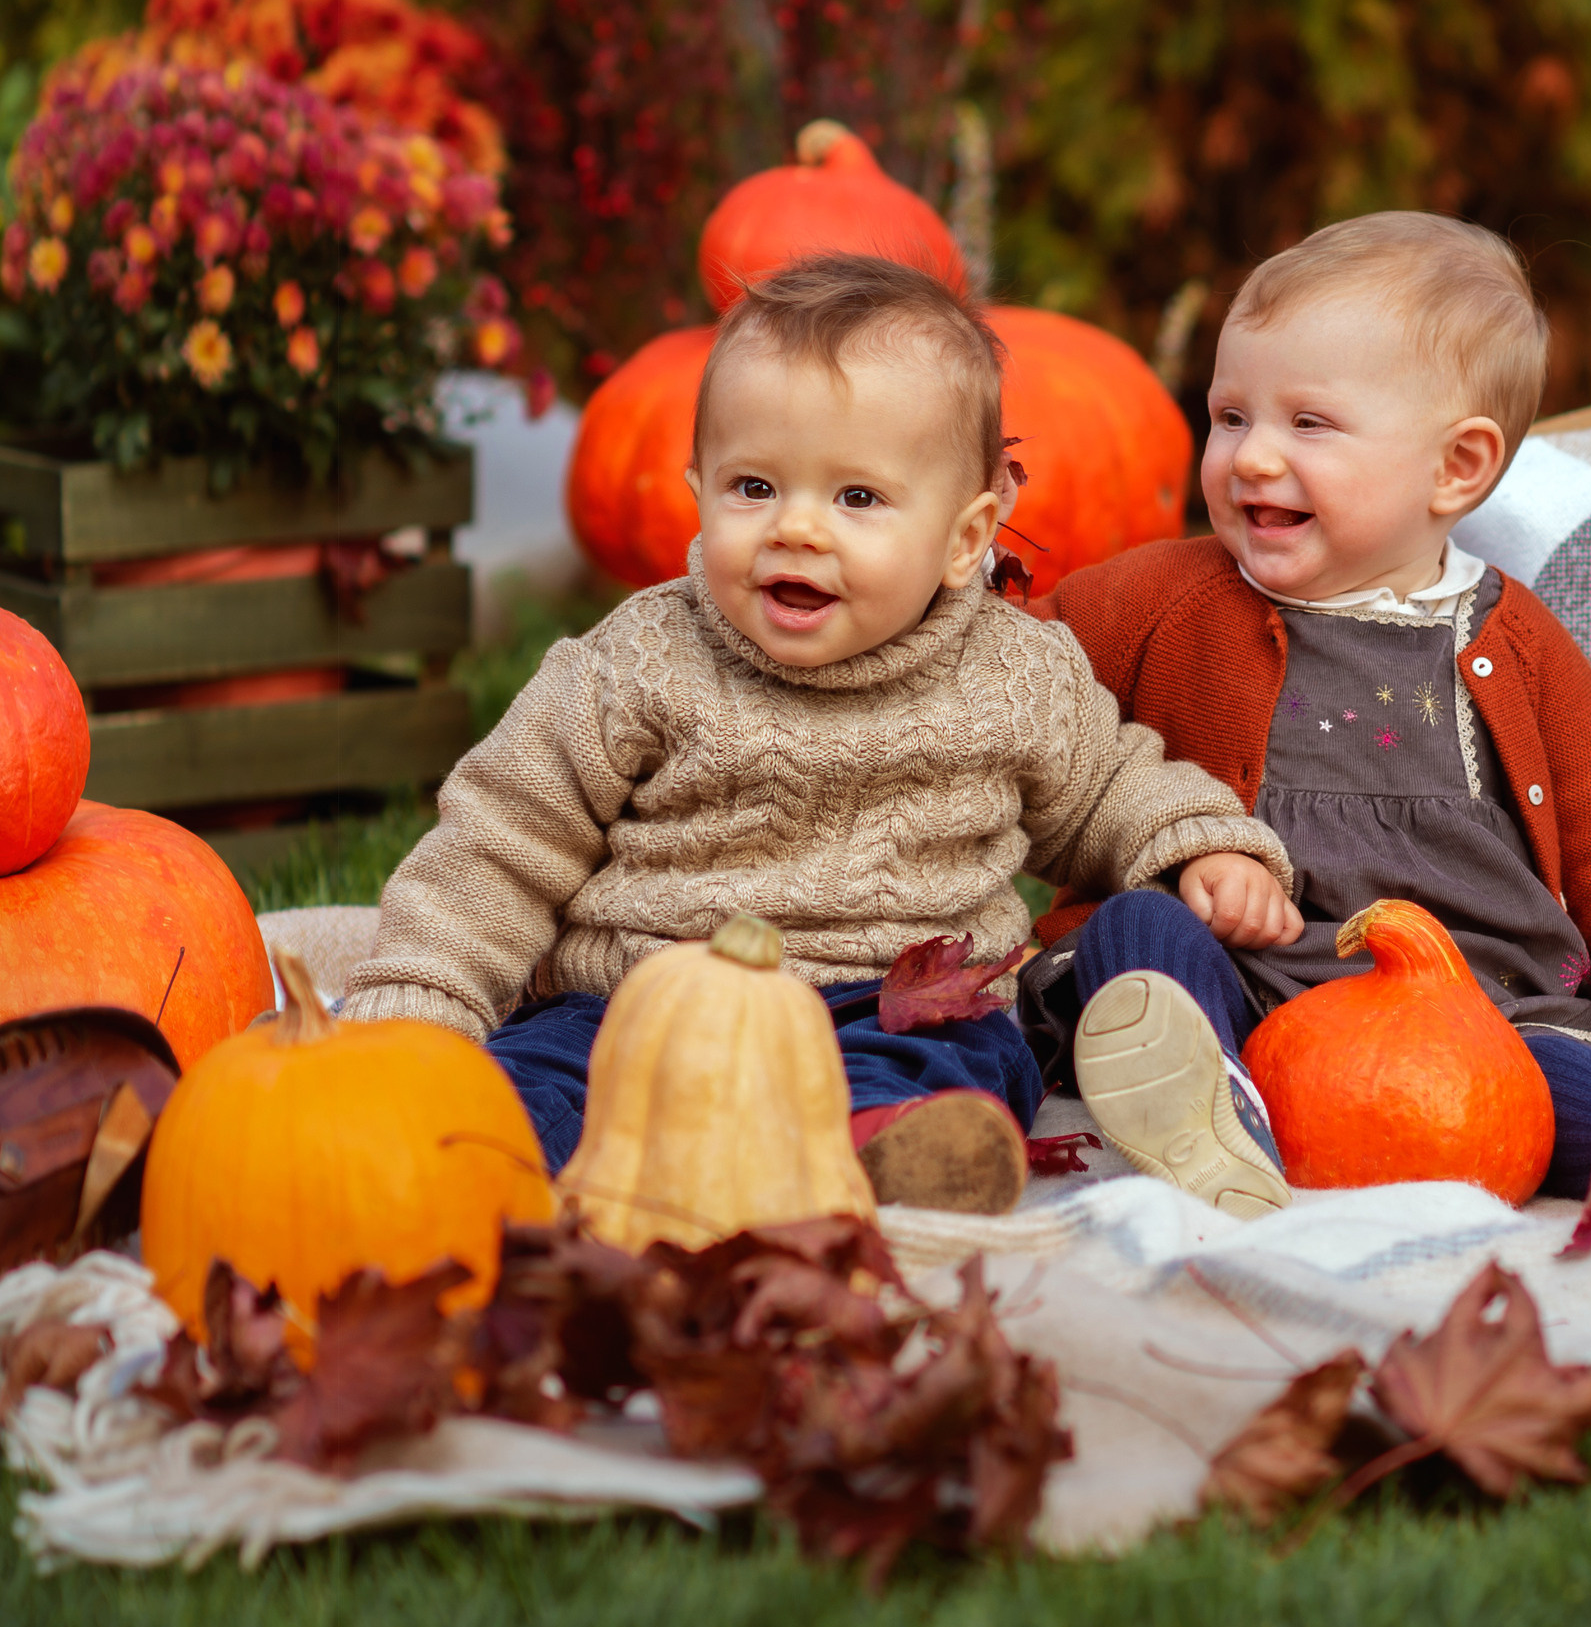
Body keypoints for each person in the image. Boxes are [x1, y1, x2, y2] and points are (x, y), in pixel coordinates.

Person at [338, 252, 1294, 1216]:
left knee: (949, 1070)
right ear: (697, 485)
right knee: (535, 1080)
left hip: (890, 1004)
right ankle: (484, 1166)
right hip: (640, 1004)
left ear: (967, 539)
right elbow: (503, 842)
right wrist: (425, 1002)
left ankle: (879, 1164)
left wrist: (1197, 841)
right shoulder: (637, 661)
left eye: (857, 498)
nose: (796, 529)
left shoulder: (1015, 675)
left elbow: (1105, 788)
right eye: (753, 488)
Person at [1036, 211, 1591, 1217]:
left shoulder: (1522, 644)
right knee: (1139, 930)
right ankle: (1205, 1106)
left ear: (1456, 468)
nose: (1252, 457)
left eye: (1307, 424)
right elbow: (1017, 671)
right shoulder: (1164, 595)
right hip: (1250, 974)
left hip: (1478, 1009)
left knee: (1556, 1084)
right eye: (1229, 416)